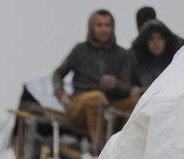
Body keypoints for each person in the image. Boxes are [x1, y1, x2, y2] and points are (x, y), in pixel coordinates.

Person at [52, 9, 135, 150]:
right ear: (91, 27)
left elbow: (128, 87)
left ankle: (126, 148)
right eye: (99, 25)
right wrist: (61, 94)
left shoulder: (122, 54)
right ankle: (99, 151)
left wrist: (115, 84)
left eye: (107, 25)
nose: (104, 29)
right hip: (80, 102)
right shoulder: (79, 50)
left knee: (137, 103)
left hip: (110, 103)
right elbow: (58, 74)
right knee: (96, 97)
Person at [129, 19, 183, 95]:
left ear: (166, 41)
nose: (156, 42)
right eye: (151, 39)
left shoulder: (175, 63)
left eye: (160, 38)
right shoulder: (138, 67)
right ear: (146, 42)